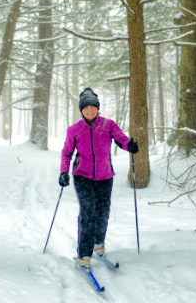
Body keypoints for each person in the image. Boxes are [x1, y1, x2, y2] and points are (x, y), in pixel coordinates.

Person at [59, 88, 138, 269]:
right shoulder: (74, 130)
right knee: (88, 213)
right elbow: (66, 153)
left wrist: (130, 145)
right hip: (82, 176)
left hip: (105, 176)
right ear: (81, 111)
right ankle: (84, 254)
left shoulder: (108, 125)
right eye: (86, 108)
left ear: (97, 108)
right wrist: (64, 172)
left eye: (93, 107)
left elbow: (121, 139)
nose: (89, 110)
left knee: (103, 212)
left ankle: (98, 243)